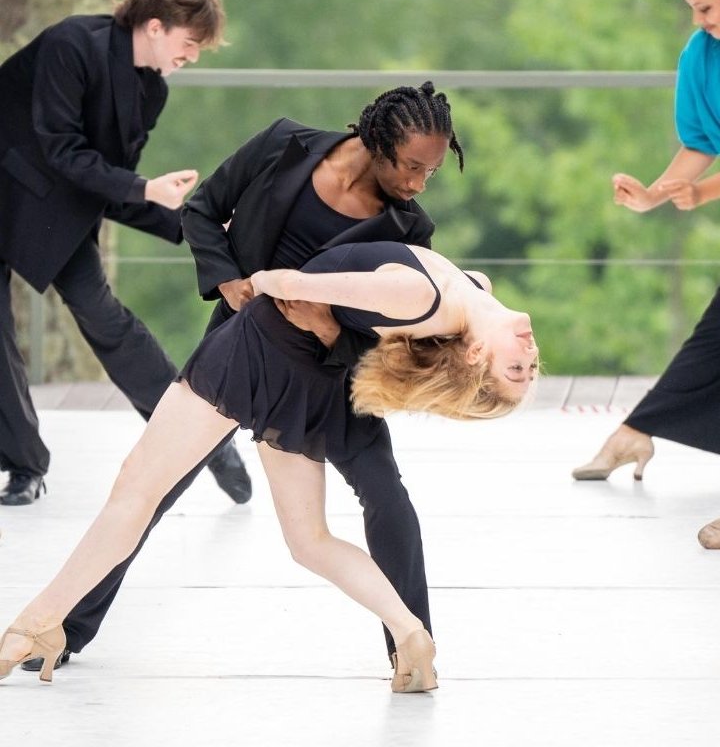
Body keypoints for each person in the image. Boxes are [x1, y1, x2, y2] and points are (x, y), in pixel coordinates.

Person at [21, 83, 461, 675]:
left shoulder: (408, 229)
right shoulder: (283, 145)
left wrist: (332, 331)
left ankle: (412, 648)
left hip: (329, 379)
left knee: (386, 497)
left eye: (430, 172)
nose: (418, 183)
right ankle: (66, 627)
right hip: (240, 347)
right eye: (411, 166)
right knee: (153, 487)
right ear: (377, 141)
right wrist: (228, 280)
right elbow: (202, 210)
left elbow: (397, 334)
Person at [0, 239, 539, 690]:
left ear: (474, 355)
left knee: (136, 489)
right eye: (530, 368)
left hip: (258, 350)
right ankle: (409, 630)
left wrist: (256, 274)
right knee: (309, 541)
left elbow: (291, 285)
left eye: (516, 368)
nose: (530, 354)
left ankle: (35, 624)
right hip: (305, 378)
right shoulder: (476, 288)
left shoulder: (424, 296)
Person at [0, 0, 248, 508]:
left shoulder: (150, 91)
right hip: (11, 180)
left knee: (102, 314)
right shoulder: (72, 43)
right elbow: (62, 148)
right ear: (155, 26)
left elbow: (108, 185)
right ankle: (23, 465)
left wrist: (193, 224)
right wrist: (145, 189)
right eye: (190, 43)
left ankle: (197, 438)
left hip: (53, 206)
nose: (193, 57)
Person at [571, 0, 720, 546]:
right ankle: (637, 430)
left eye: (706, 6)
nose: (699, 20)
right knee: (712, 343)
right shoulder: (700, 55)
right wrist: (656, 193)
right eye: (692, 9)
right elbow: (700, 144)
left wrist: (703, 194)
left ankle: (635, 431)